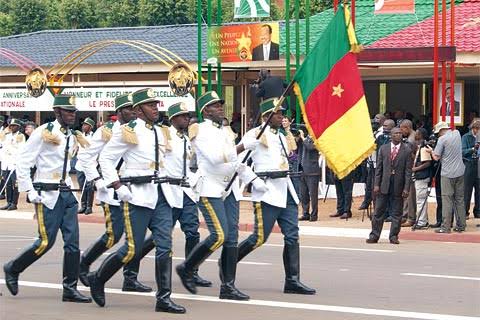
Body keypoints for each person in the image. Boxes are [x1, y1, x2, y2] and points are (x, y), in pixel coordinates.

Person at [89, 88, 185, 313]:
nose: (155, 108)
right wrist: (117, 185)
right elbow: (106, 159)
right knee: (132, 248)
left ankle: (164, 299)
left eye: (156, 105)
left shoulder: (162, 131)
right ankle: (98, 278)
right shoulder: (127, 131)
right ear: (138, 110)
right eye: (150, 105)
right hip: (137, 196)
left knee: (165, 245)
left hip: (161, 195)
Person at [3, 95, 92, 303]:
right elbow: (23, 162)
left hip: (67, 194)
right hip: (47, 194)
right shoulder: (42, 132)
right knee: (45, 242)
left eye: (74, 112)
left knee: (73, 243)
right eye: (68, 111)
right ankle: (13, 268)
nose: (72, 115)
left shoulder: (72, 135)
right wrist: (29, 191)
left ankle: (69, 289)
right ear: (57, 111)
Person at [176, 91, 255, 301]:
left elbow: (233, 162)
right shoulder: (198, 130)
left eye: (221, 105)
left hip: (230, 188)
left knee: (231, 238)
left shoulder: (225, 131)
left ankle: (228, 286)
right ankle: (187, 267)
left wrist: (250, 176)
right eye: (215, 106)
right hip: (210, 187)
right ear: (205, 111)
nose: (220, 108)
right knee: (219, 234)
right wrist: (241, 147)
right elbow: (213, 159)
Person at [236, 97, 316, 295]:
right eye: (278, 113)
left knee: (292, 235)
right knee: (259, 237)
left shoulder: (280, 135)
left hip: (285, 189)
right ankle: (229, 261)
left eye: (282, 113)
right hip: (267, 191)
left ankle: (292, 280)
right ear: (266, 116)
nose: (282, 116)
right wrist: (255, 181)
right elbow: (237, 161)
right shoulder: (255, 134)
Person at [76, 94, 152, 293]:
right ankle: (84, 263)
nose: (133, 112)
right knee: (113, 235)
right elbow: (86, 157)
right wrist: (98, 180)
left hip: (134, 190)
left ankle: (130, 278)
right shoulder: (107, 131)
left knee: (135, 237)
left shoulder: (142, 131)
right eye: (128, 109)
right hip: (112, 189)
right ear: (119, 112)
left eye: (134, 108)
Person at [366, 127, 412, 245]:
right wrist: (376, 184)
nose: (399, 135)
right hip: (384, 185)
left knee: (397, 213)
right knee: (378, 212)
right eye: (396, 133)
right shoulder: (384, 149)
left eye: (400, 133)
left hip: (398, 185)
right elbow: (379, 169)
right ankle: (374, 235)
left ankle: (393, 236)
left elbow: (408, 171)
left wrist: (406, 188)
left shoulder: (406, 150)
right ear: (391, 135)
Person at [426, 121, 466, 233]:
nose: (438, 135)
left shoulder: (442, 140)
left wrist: (431, 151)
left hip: (447, 173)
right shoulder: (457, 133)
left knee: (447, 200)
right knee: (459, 199)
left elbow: (436, 157)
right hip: (460, 171)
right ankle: (461, 225)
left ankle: (446, 226)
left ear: (441, 131)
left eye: (438, 133)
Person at [0, 118, 26, 211]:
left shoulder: (21, 136)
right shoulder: (6, 136)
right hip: (6, 163)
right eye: (11, 125)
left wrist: (17, 162)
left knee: (15, 184)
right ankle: (8, 202)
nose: (12, 127)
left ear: (18, 127)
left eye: (14, 125)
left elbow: (21, 151)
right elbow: (2, 149)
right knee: (7, 185)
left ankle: (14, 203)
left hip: (15, 164)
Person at [412, 128, 432, 229]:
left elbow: (427, 163)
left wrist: (415, 169)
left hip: (422, 176)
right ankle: (423, 220)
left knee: (420, 200)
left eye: (417, 133)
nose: (415, 134)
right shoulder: (420, 146)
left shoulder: (424, 147)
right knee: (420, 200)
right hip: (421, 176)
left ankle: (421, 222)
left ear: (421, 135)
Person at [399, 119, 417, 227]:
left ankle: (410, 218)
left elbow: (408, 157)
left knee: (410, 195)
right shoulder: (413, 136)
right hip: (411, 169)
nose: (401, 131)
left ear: (407, 127)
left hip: (411, 170)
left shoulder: (410, 140)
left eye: (402, 128)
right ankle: (406, 216)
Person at [76, 117, 95, 214]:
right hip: (80, 164)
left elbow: (96, 152)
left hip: (90, 164)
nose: (83, 126)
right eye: (83, 124)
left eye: (86, 125)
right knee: (81, 185)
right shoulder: (80, 136)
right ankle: (83, 205)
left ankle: (89, 206)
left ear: (90, 127)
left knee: (89, 187)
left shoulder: (94, 137)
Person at [461, 119, 480, 219]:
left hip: (478, 163)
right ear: (474, 128)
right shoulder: (466, 137)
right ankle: (465, 212)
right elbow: (462, 151)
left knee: (479, 189)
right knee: (467, 190)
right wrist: (473, 149)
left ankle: (478, 211)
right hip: (469, 164)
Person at [299, 134, 320, 222]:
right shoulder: (307, 138)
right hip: (303, 170)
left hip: (313, 171)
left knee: (313, 195)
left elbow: (310, 147)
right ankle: (305, 213)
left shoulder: (318, 138)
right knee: (303, 194)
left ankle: (314, 215)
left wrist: (303, 138)